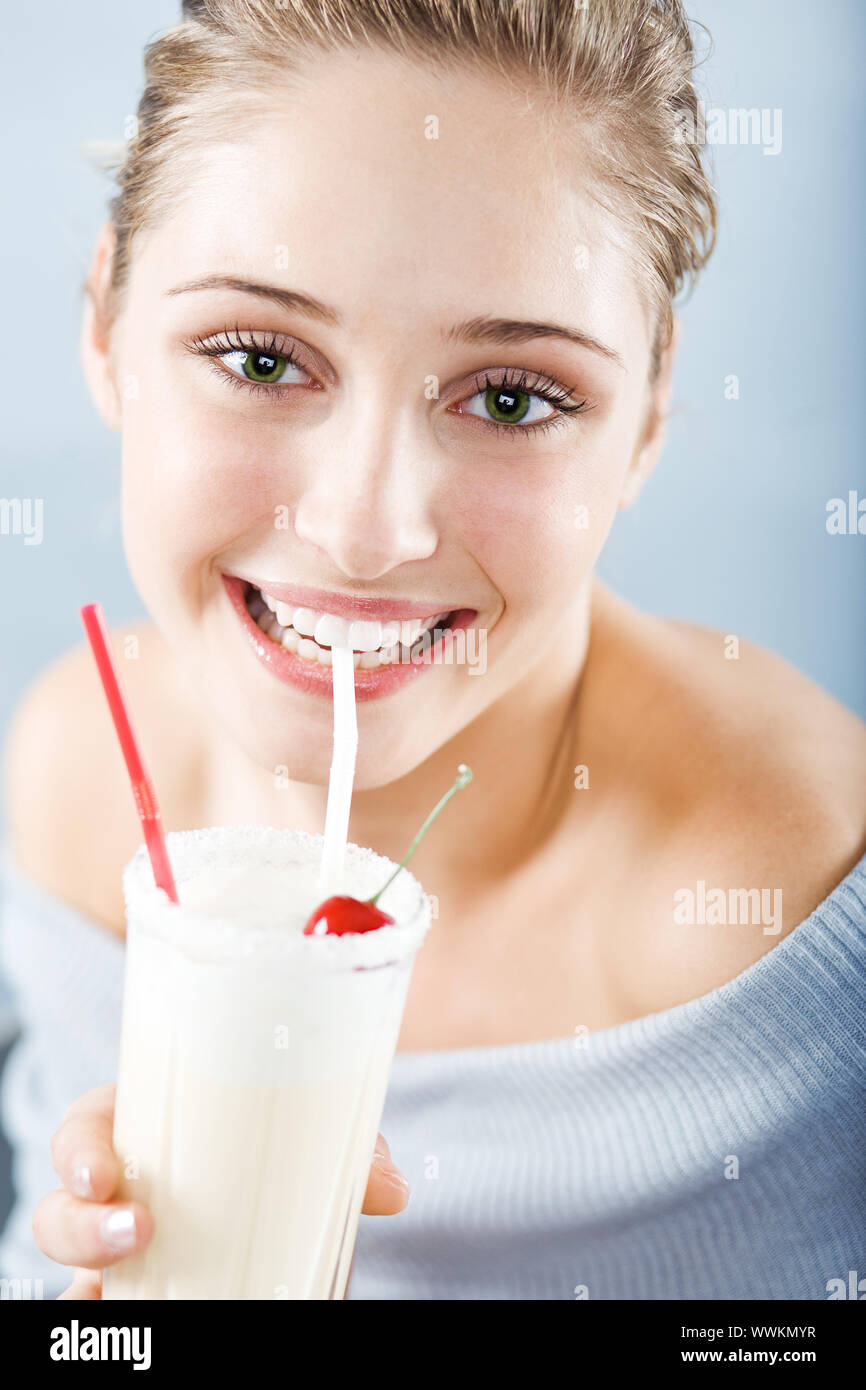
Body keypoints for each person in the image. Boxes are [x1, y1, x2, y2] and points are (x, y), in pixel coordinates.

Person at [2, 0, 864, 1301]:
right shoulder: (78, 781)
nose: (361, 530)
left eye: (510, 396)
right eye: (257, 357)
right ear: (105, 324)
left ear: (647, 412)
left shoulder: (783, 901)